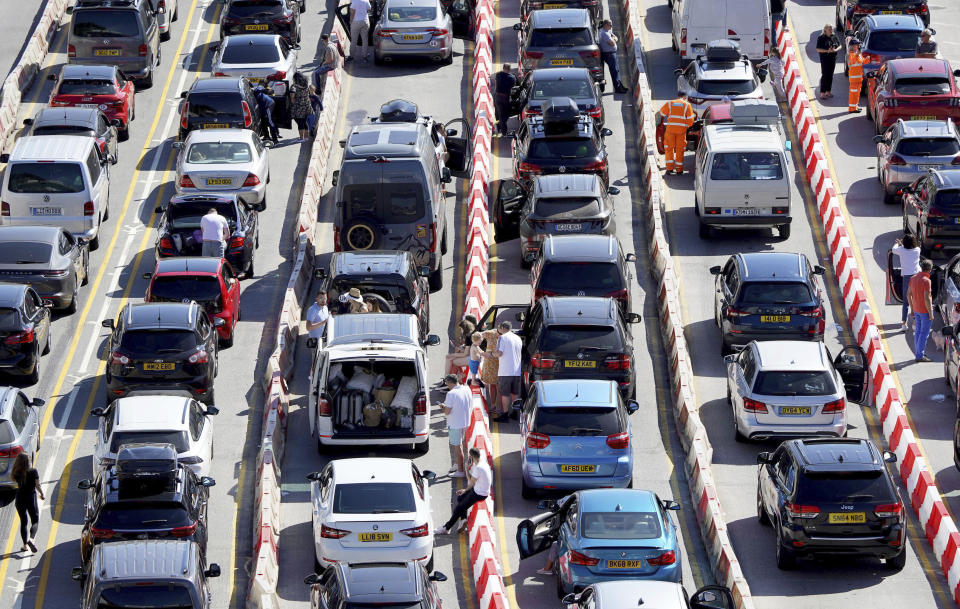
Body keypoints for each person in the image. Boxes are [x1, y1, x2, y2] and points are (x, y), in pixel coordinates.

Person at [436, 447, 491, 535]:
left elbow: (471, 482)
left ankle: (446, 528)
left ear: (472, 457)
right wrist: (465, 491)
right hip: (480, 489)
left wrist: (466, 469)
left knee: (458, 509)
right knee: (460, 498)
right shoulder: (483, 463)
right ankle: (463, 519)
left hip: (479, 493)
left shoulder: (478, 468)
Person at [656, 91, 695, 175]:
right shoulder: (687, 105)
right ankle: (679, 170)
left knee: (669, 149)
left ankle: (669, 169)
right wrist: (685, 126)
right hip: (681, 131)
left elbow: (661, 113)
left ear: (677, 96)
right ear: (684, 97)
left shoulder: (670, 103)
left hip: (670, 130)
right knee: (680, 150)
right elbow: (691, 120)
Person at [441, 373, 472, 478]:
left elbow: (447, 412)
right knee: (460, 445)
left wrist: (442, 407)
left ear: (450, 382)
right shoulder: (466, 389)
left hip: (455, 424)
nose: (447, 386)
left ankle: (460, 471)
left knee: (457, 447)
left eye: (447, 384)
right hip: (465, 422)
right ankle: (457, 464)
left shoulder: (451, 394)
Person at [11, 453, 43, 553]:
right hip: (30, 498)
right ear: (28, 461)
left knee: (23, 522)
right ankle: (31, 539)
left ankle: (25, 545)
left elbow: (15, 480)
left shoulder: (16, 472)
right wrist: (42, 494)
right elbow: (37, 485)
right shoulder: (33, 471)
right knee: (35, 520)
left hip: (20, 498)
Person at [492, 321, 522, 422]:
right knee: (515, 393)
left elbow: (499, 353)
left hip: (505, 371)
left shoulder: (502, 338)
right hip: (516, 371)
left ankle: (505, 415)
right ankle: (515, 413)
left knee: (505, 394)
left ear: (501, 328)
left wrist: (492, 354)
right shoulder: (518, 338)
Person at [893, 235, 921, 331]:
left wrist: (898, 243)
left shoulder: (901, 250)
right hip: (917, 277)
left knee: (906, 302)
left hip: (907, 278)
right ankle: (915, 322)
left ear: (904, 242)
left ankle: (904, 324)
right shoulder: (917, 250)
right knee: (916, 300)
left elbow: (893, 249)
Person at [908, 259, 934, 362]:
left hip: (916, 309)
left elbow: (908, 294)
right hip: (925, 311)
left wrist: (912, 308)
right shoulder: (927, 281)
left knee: (918, 331)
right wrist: (931, 313)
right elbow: (927, 298)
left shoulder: (913, 278)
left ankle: (919, 352)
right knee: (924, 334)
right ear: (930, 270)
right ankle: (919, 356)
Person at [598, 20, 628, 94]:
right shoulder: (604, 33)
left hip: (612, 53)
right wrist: (614, 40)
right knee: (614, 71)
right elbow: (612, 43)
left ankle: (620, 86)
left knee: (616, 70)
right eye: (610, 25)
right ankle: (617, 88)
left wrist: (614, 39)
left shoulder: (608, 31)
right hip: (609, 54)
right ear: (605, 25)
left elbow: (616, 37)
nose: (611, 26)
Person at [816, 24, 841, 99]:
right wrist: (827, 51)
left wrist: (835, 50)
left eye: (832, 29)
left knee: (830, 75)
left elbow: (840, 46)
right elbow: (818, 49)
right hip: (825, 59)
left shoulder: (833, 36)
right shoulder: (821, 38)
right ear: (825, 30)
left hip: (833, 58)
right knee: (825, 75)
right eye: (830, 29)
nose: (831, 30)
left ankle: (828, 92)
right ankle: (822, 93)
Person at [493, 63, 517, 136]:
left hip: (497, 97)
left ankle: (499, 127)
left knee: (497, 113)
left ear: (503, 68)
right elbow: (513, 86)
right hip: (505, 98)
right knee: (504, 115)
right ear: (509, 69)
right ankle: (504, 132)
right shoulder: (512, 77)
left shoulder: (498, 75)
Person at [313, 33, 340, 98]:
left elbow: (330, 59)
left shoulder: (328, 47)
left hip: (331, 65)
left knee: (316, 73)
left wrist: (323, 63)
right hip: (335, 64)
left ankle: (318, 89)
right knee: (317, 69)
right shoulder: (332, 44)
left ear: (323, 40)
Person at [289, 72, 314, 143]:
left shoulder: (294, 87)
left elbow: (292, 97)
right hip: (307, 105)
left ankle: (301, 138)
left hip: (298, 107)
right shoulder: (306, 85)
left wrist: (293, 103)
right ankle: (306, 137)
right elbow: (310, 92)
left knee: (300, 122)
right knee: (304, 121)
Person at [479, 327, 500, 409]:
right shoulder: (490, 333)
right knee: (492, 385)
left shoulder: (506, 337)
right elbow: (477, 335)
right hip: (491, 364)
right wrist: (477, 346)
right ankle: (493, 404)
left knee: (499, 386)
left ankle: (498, 407)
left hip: (501, 364)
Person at [846, 38, 864, 113]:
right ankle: (852, 108)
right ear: (853, 46)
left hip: (859, 79)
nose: (858, 46)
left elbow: (862, 62)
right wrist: (857, 55)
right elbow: (852, 62)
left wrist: (868, 59)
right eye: (857, 44)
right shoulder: (851, 55)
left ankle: (855, 107)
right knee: (853, 94)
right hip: (854, 80)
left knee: (856, 94)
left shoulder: (857, 54)